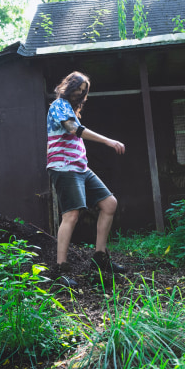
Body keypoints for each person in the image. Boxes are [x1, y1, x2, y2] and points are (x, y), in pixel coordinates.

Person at [46, 71, 126, 287]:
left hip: (80, 167)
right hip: (64, 167)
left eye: (82, 94)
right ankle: (60, 270)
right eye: (77, 91)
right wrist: (109, 141)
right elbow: (73, 130)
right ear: (68, 87)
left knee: (109, 204)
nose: (79, 96)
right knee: (71, 214)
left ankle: (100, 259)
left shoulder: (70, 109)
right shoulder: (59, 105)